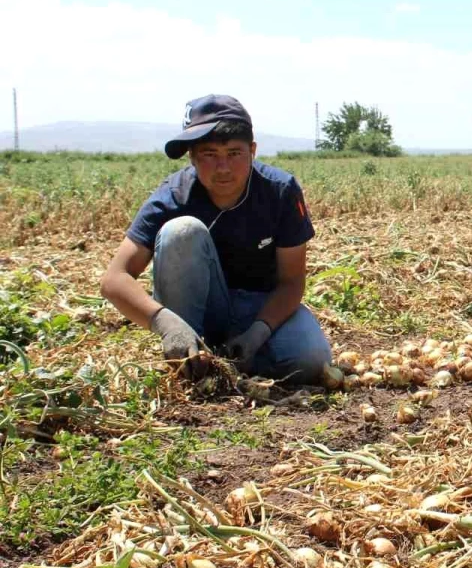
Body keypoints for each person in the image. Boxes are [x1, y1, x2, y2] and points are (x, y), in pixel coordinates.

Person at [100, 95, 332, 383]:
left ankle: (228, 362)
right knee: (181, 232)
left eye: (234, 153)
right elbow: (114, 278)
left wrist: (259, 332)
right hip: (198, 313)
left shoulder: (279, 191)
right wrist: (166, 324)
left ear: (253, 151)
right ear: (192, 157)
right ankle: (191, 350)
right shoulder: (174, 196)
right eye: (210, 154)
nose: (223, 168)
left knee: (311, 360)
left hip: (260, 307)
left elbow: (292, 281)